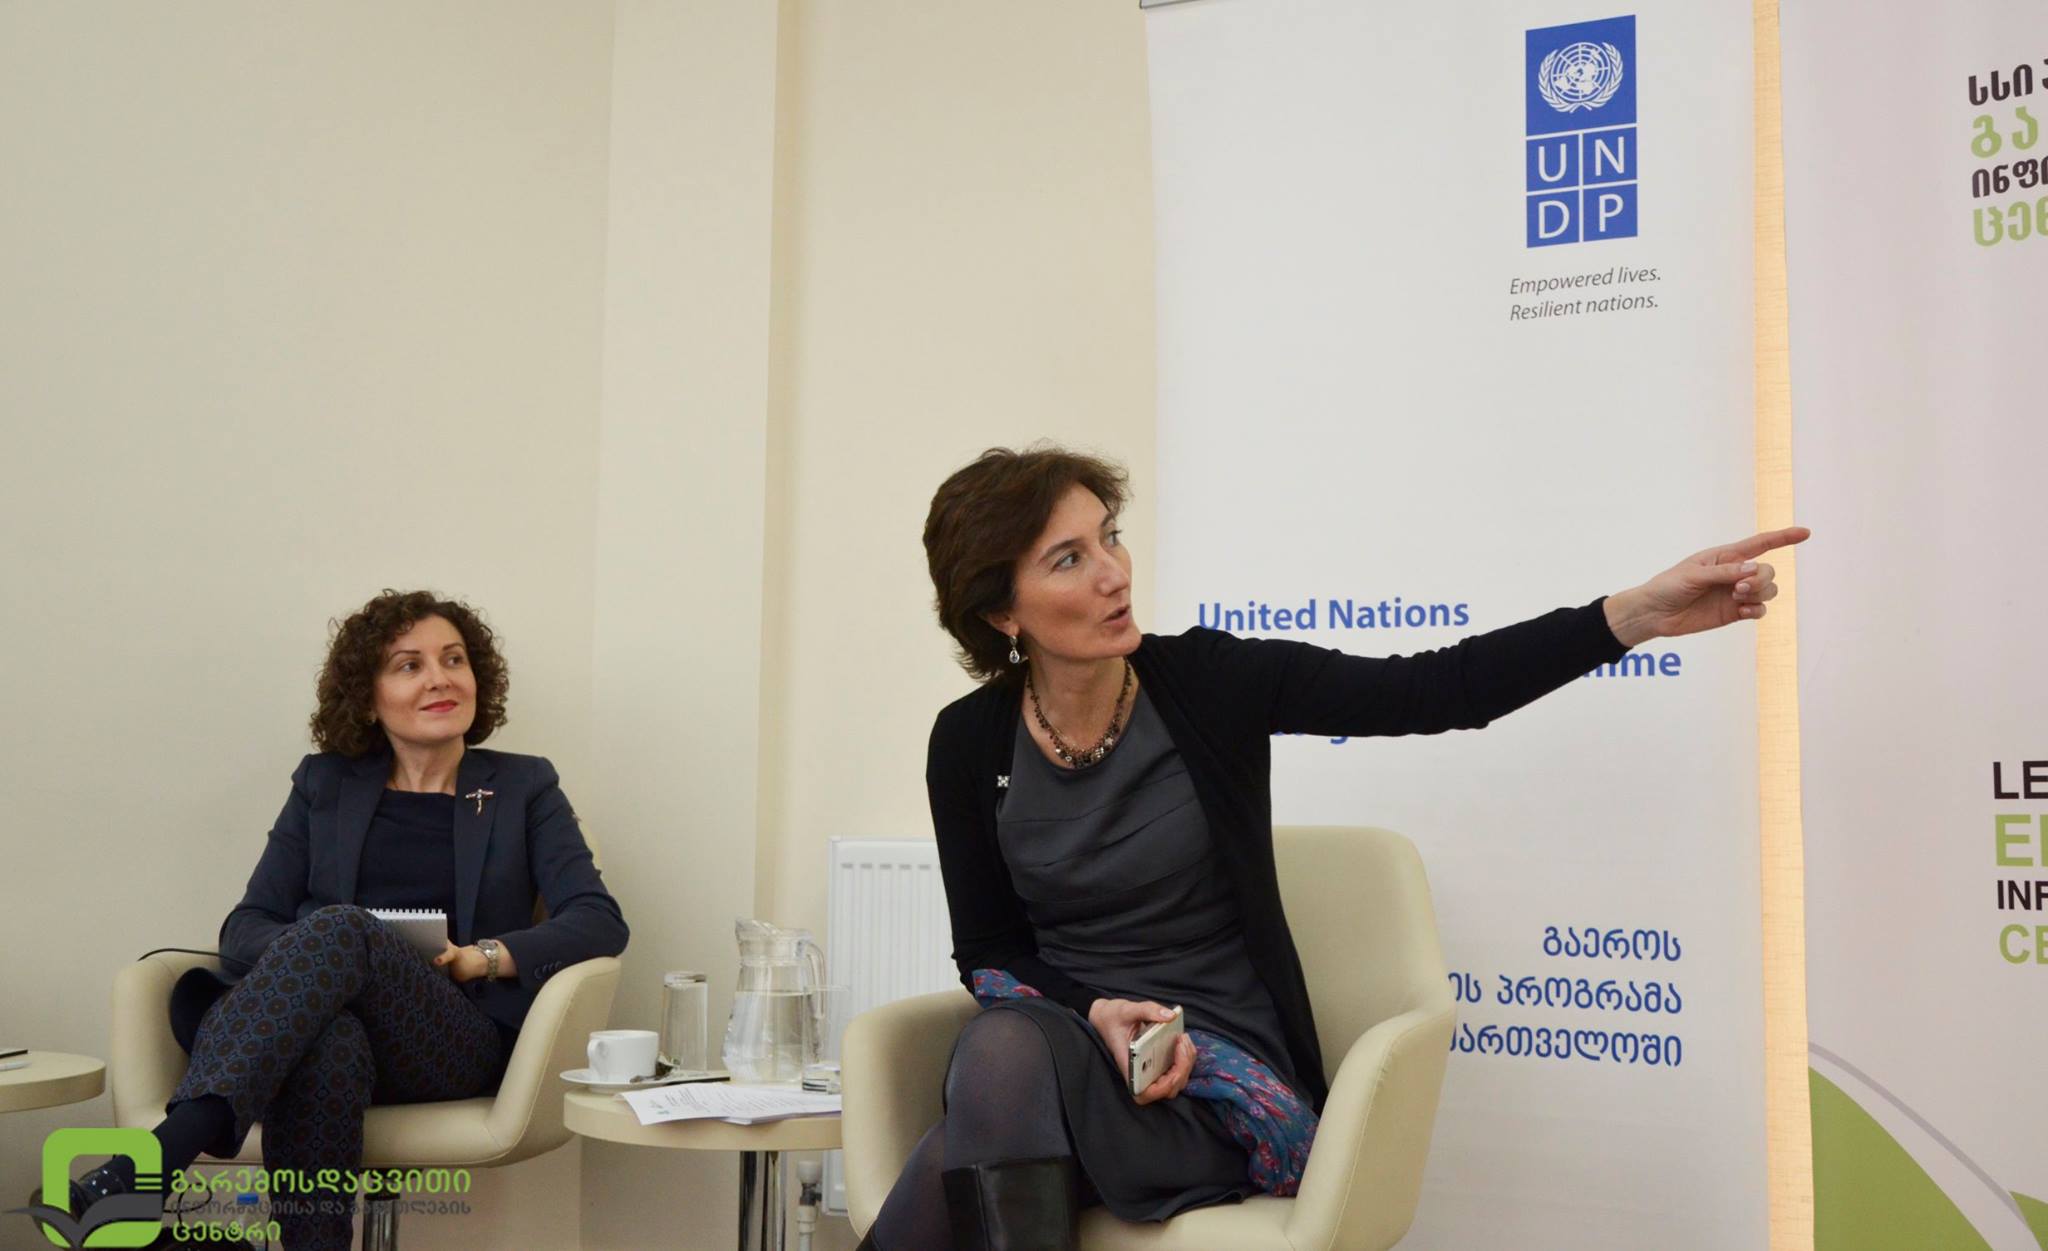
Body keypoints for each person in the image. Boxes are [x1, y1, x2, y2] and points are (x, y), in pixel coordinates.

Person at [867, 445, 1805, 1251]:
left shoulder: (1209, 682)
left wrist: (1634, 615)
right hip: (1078, 1049)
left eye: (1110, 536)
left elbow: (1437, 689)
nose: (1114, 573)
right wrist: (1097, 1011)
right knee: (1003, 1053)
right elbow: (989, 953)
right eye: (1069, 559)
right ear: (1004, 613)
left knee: (974, 1132)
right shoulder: (969, 741)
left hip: (1213, 1076)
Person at [67, 590, 628, 1251]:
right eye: (409, 665)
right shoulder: (324, 784)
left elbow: (597, 919)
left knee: (345, 927)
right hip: (313, 1032)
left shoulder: (523, 787)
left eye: (453, 659)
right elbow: (246, 925)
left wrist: (482, 957)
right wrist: (323, 961)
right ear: (367, 698)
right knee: (331, 1031)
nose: (440, 678)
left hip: (449, 1039)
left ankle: (157, 1158)